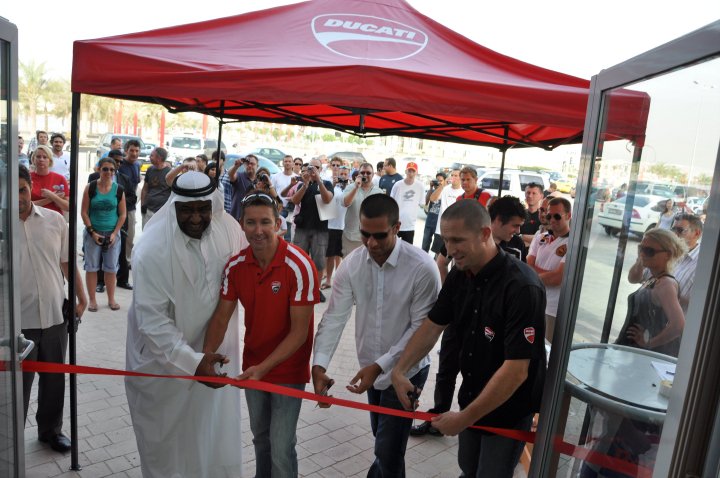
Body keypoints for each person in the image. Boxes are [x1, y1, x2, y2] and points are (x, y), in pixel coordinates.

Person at [391, 199, 546, 478]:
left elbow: (516, 371)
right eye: (446, 240)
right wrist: (400, 370)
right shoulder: (460, 275)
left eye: (458, 240)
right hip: (472, 397)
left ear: (485, 234)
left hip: (508, 412)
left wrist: (464, 418)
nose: (450, 250)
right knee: (469, 469)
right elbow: (433, 324)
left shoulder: (522, 286)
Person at [126, 172, 245, 478]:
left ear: (213, 205)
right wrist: (192, 362)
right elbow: (152, 322)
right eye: (187, 210)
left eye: (202, 209)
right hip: (165, 367)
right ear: (174, 206)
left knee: (215, 440)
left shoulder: (229, 229)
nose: (196, 218)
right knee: (169, 451)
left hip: (217, 357)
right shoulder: (152, 249)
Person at [313, 194, 441, 477]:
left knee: (388, 449)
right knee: (384, 443)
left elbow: (422, 330)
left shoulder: (423, 268)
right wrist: (319, 365)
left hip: (408, 370)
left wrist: (381, 366)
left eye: (379, 235)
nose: (370, 243)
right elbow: (334, 316)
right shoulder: (352, 264)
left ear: (397, 227)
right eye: (364, 234)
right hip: (371, 370)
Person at [199, 190, 319, 478]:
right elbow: (220, 317)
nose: (258, 230)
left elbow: (300, 333)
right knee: (260, 439)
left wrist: (262, 369)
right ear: (241, 225)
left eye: (265, 222)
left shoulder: (299, 265)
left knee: (281, 445)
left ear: (278, 223)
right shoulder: (235, 266)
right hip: (253, 365)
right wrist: (204, 359)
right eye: (251, 223)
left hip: (287, 370)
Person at [18, 165, 87, 453]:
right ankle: (10, 439)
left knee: (55, 379)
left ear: (29, 187)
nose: (18, 197)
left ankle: (50, 431)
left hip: (56, 316)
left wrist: (82, 298)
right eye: (10, 191)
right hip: (18, 322)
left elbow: (66, 263)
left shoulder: (54, 220)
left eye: (22, 189)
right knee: (16, 386)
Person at [618, 228, 687, 356]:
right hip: (637, 349)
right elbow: (632, 278)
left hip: (644, 353)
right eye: (641, 248)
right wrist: (641, 259)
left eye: (649, 251)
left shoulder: (665, 284)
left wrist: (649, 344)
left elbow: (678, 325)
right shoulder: (655, 276)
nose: (643, 254)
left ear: (668, 254)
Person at [628, 212, 702, 313]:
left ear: (697, 233)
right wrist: (641, 258)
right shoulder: (663, 251)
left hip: (672, 325)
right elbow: (633, 279)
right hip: (646, 322)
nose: (675, 234)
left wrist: (664, 291)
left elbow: (699, 304)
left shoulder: (702, 264)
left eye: (680, 230)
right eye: (673, 229)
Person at [81, 157, 126, 312]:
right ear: (99, 169)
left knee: (111, 268)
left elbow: (122, 215)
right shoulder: (91, 187)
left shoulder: (118, 189)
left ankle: (111, 299)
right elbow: (84, 212)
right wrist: (92, 232)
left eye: (112, 169)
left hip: (112, 234)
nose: (109, 172)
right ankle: (92, 300)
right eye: (105, 169)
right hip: (93, 233)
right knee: (92, 267)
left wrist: (114, 233)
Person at [527, 196, 572, 343]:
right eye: (549, 216)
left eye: (557, 216)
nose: (552, 220)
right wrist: (544, 273)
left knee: (547, 351)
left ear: (569, 216)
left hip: (553, 309)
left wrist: (534, 272)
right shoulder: (540, 237)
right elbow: (527, 268)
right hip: (533, 303)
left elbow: (557, 279)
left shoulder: (572, 243)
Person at [341, 162, 383, 255]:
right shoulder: (351, 187)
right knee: (350, 266)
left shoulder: (378, 192)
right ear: (358, 174)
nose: (365, 175)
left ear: (373, 174)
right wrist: (356, 187)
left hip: (371, 237)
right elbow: (345, 203)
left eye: (368, 173)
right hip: (352, 237)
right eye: (362, 172)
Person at [118, 139, 141, 265]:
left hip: (131, 206)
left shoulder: (138, 165)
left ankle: (126, 260)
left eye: (137, 151)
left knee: (130, 235)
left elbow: (137, 183)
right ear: (126, 150)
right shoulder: (120, 165)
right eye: (131, 150)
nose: (134, 153)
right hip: (118, 205)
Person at [391, 161, 425, 244]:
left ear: (416, 172)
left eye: (413, 171)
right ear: (406, 171)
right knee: (393, 248)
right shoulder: (397, 185)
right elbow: (391, 202)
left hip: (410, 225)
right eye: (409, 171)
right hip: (396, 223)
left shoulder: (420, 186)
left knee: (407, 250)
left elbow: (422, 203)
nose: (411, 173)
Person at [29, 144, 69, 214]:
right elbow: (26, 206)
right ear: (33, 159)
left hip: (54, 220)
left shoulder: (60, 179)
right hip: (33, 219)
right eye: (38, 157)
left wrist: (51, 195)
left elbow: (67, 207)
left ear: (50, 161)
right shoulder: (27, 178)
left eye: (45, 157)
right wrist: (52, 198)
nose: (41, 159)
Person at [489, 195, 528, 261]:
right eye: (515, 225)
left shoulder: (517, 244)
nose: (518, 231)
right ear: (498, 220)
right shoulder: (475, 241)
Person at [140, 147, 172, 227]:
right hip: (148, 210)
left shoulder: (169, 173)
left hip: (162, 212)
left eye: (152, 155)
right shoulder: (150, 169)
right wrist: (143, 204)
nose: (150, 157)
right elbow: (145, 189)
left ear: (159, 158)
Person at [272, 154, 297, 240]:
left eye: (289, 161)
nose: (287, 163)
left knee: (288, 233)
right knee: (278, 230)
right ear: (282, 163)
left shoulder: (296, 177)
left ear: (293, 163)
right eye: (285, 161)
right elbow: (272, 191)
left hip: (291, 208)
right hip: (279, 207)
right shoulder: (276, 176)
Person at [421, 172, 446, 253]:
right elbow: (426, 202)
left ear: (445, 181)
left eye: (440, 181)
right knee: (425, 245)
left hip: (438, 225)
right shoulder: (433, 191)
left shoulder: (446, 192)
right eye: (437, 180)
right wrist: (431, 188)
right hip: (429, 222)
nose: (438, 182)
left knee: (437, 249)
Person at [228, 153, 258, 220]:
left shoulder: (259, 181)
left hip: (252, 219)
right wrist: (236, 166)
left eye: (252, 164)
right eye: (247, 164)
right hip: (236, 218)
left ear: (257, 166)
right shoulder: (239, 176)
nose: (249, 166)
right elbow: (230, 175)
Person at [520, 182, 544, 248]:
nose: (530, 196)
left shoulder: (545, 217)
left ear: (541, 196)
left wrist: (521, 236)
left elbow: (544, 239)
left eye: (534, 193)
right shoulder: (519, 214)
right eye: (528, 193)